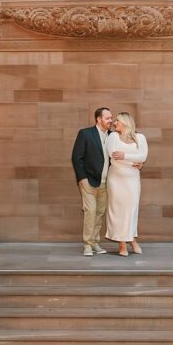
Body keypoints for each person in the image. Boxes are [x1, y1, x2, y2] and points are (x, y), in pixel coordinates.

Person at [105, 112, 148, 257]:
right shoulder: (113, 137)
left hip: (132, 180)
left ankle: (132, 239)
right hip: (116, 179)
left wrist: (126, 156)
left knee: (131, 210)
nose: (114, 122)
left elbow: (143, 156)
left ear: (125, 122)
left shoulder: (140, 138)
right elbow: (114, 156)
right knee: (117, 211)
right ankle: (122, 243)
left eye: (117, 120)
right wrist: (133, 161)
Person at [71, 107, 113, 256]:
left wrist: (137, 162)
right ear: (99, 119)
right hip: (88, 181)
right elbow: (77, 158)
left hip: (106, 183)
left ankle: (95, 242)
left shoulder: (113, 136)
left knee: (100, 212)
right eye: (108, 118)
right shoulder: (85, 134)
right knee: (91, 212)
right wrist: (82, 179)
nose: (111, 121)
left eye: (111, 118)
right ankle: (87, 245)